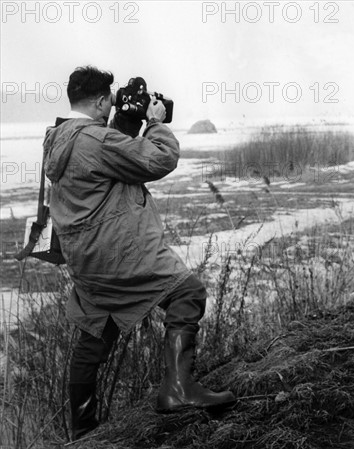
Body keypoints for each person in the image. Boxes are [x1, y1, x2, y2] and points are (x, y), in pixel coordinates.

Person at [43, 66, 236, 441]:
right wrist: (155, 122)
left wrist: (125, 121)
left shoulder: (58, 138)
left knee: (95, 335)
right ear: (100, 101)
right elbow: (158, 158)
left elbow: (108, 160)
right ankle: (178, 390)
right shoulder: (94, 141)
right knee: (187, 292)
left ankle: (83, 431)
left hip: (86, 263)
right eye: (109, 102)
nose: (111, 106)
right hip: (118, 258)